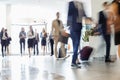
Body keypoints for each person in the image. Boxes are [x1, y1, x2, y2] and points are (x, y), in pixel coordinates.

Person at [67, 1, 86, 68]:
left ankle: (75, 60)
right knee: (76, 43)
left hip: (79, 27)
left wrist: (90, 19)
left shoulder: (81, 4)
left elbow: (84, 14)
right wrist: (68, 26)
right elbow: (69, 15)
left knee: (77, 44)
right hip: (73, 27)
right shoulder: (71, 3)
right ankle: (73, 61)